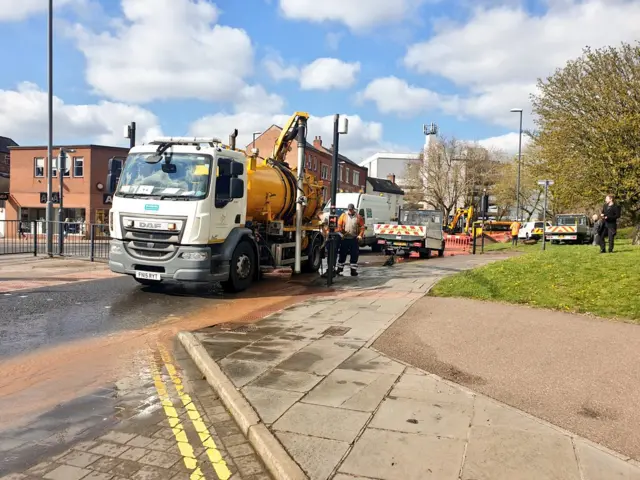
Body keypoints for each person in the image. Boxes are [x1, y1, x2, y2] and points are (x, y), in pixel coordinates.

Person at [337, 204, 365, 276]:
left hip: (354, 238)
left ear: (353, 209)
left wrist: (360, 235)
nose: (350, 211)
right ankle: (340, 268)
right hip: (345, 238)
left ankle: (353, 270)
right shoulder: (343, 216)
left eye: (351, 209)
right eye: (349, 209)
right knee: (342, 253)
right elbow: (339, 225)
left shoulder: (358, 217)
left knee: (354, 254)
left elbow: (362, 227)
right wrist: (341, 231)